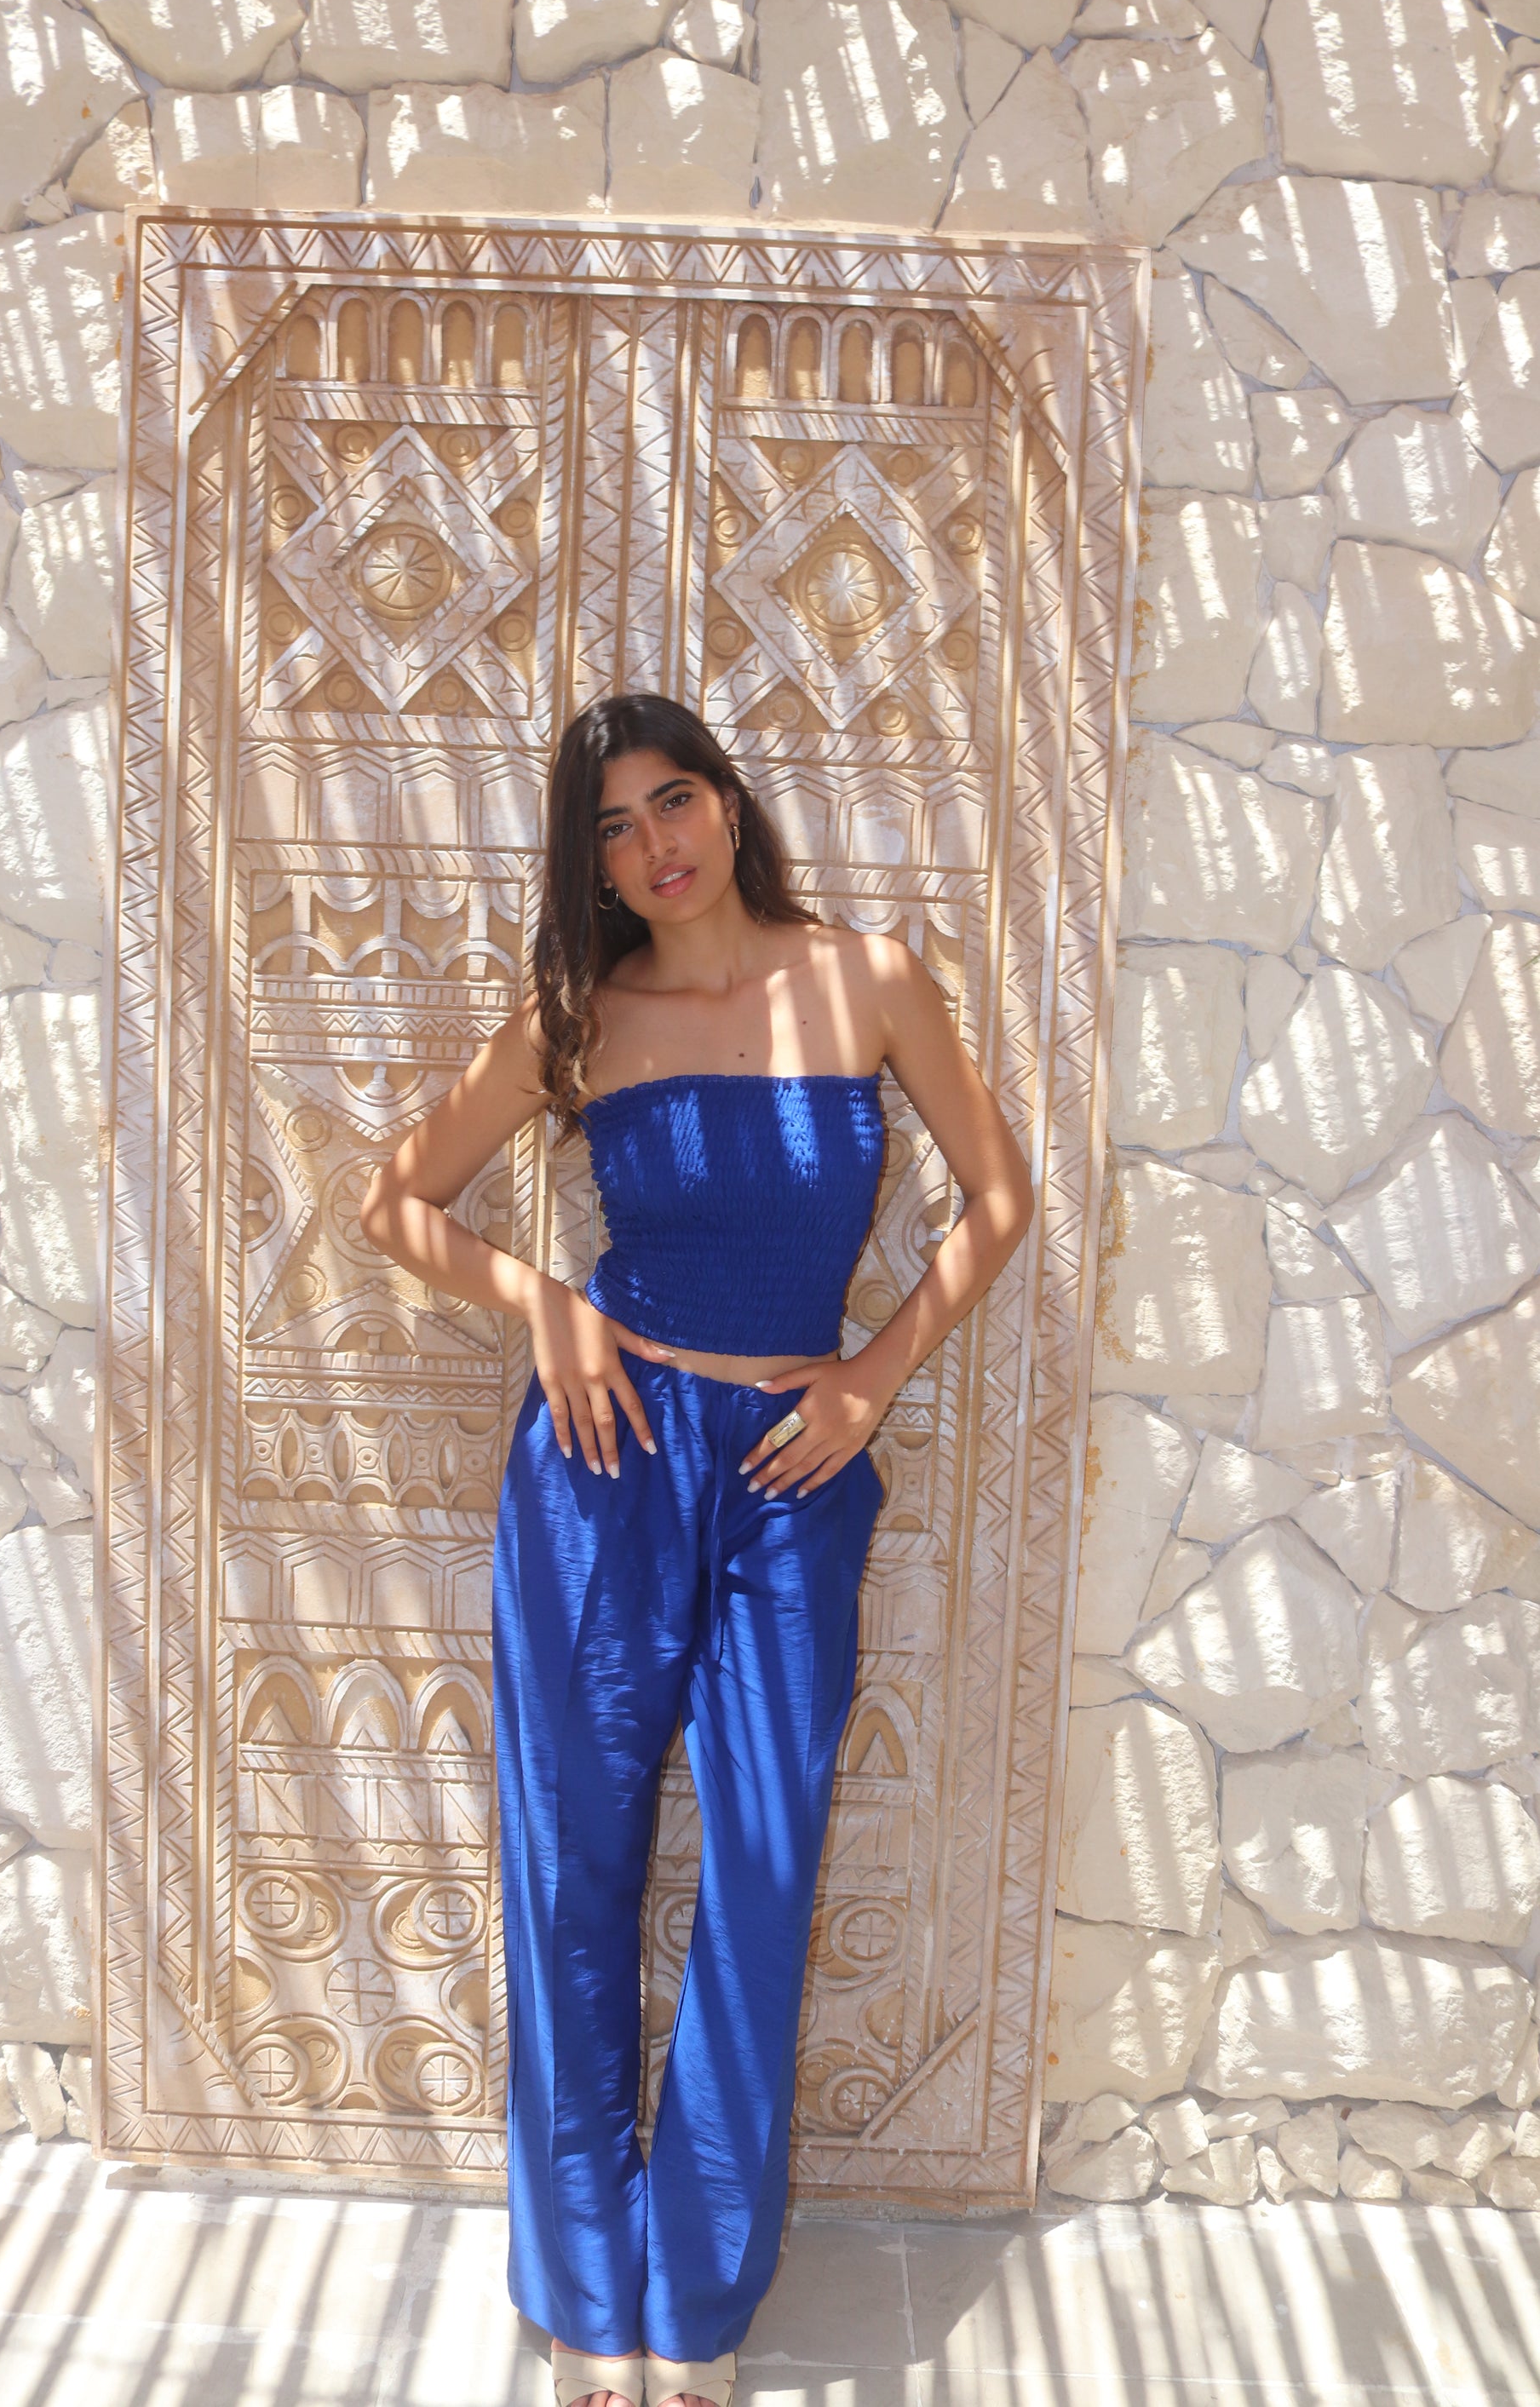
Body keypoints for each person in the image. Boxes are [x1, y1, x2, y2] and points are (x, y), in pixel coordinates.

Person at [359, 693, 1034, 2407]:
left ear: (730, 804)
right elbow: (395, 1199)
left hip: (797, 1472)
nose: (652, 842)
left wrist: (876, 1372)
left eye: (673, 799)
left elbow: (1001, 1196)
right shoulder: (584, 1016)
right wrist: (544, 1303)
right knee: (574, 1867)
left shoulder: (868, 980)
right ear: (589, 864)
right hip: (606, 1465)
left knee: (758, 1867)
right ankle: (590, 2296)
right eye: (610, 825)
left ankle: (698, 2303)